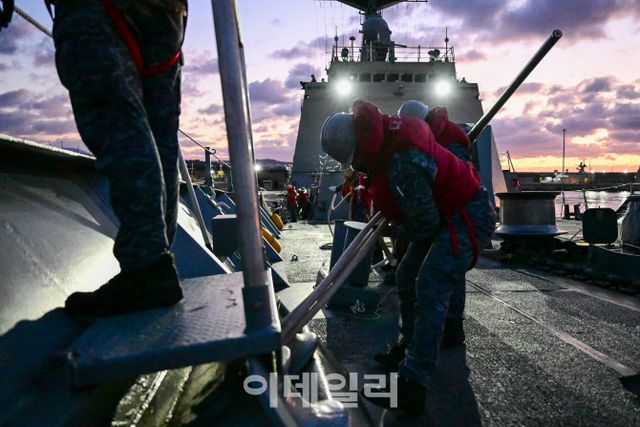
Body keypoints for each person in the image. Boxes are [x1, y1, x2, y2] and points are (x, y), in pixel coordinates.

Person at [321, 100, 496, 415]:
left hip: (466, 215)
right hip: (445, 214)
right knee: (405, 275)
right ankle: (411, 345)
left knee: (430, 282)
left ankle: (413, 383)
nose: (356, 165)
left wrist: (397, 228)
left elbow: (426, 223)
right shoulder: (388, 143)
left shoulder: (402, 164)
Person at [50, 0, 188, 316]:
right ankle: (156, 259)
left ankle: (147, 267)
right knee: (160, 134)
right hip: (168, 13)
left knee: (116, 120)